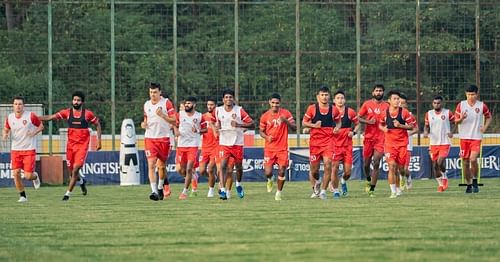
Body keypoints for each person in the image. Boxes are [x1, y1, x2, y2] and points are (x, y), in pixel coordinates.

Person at [40, 91, 101, 201]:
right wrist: (35, 117)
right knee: (72, 173)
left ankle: (67, 194)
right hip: (70, 147)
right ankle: (81, 182)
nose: (76, 102)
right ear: (72, 101)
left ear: (82, 102)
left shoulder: (88, 114)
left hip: (82, 146)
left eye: (78, 100)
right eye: (74, 100)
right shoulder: (67, 113)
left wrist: (99, 141)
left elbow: (98, 125)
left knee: (76, 168)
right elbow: (51, 117)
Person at [214, 89, 254, 200]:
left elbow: (252, 124)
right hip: (224, 142)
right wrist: (216, 127)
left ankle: (238, 184)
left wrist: (238, 124)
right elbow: (215, 122)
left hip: (237, 143)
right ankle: (222, 190)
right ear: (223, 99)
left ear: (233, 99)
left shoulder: (239, 110)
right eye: (226, 97)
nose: (228, 99)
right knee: (222, 166)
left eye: (230, 97)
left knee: (239, 167)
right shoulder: (218, 110)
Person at [2, 96, 43, 202]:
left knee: (28, 176)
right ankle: (23, 196)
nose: (18, 106)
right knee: (15, 173)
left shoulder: (30, 116)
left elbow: (41, 126)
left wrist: (33, 132)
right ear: (13, 106)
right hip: (15, 150)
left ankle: (35, 176)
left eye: (20, 104)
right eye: (15, 104)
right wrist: (5, 135)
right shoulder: (10, 117)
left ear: (23, 106)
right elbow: (6, 129)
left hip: (29, 149)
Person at [302, 85, 339, 200]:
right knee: (314, 170)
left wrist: (337, 127)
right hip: (315, 142)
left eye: (326, 95)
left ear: (329, 96)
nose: (324, 97)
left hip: (329, 141)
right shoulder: (312, 108)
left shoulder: (334, 109)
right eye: (322, 95)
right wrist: (313, 125)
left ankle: (323, 191)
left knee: (328, 164)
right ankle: (317, 182)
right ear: (318, 97)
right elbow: (304, 122)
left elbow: (338, 122)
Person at [379, 90, 417, 198]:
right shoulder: (384, 113)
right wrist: (383, 129)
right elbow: (380, 124)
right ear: (389, 101)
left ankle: (402, 183)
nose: (397, 101)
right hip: (389, 144)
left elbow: (411, 127)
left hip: (402, 144)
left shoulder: (404, 112)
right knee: (392, 166)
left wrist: (400, 126)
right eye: (394, 99)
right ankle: (393, 191)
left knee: (401, 169)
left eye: (398, 99)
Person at [141, 83, 176, 201]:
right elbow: (145, 119)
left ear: (160, 92)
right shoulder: (146, 104)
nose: (153, 95)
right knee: (151, 164)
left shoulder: (166, 103)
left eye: (155, 92)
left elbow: (174, 120)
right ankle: (154, 191)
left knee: (161, 166)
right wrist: (143, 124)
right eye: (151, 92)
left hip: (164, 138)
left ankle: (161, 187)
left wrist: (163, 115)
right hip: (150, 138)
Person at [454, 85, 492, 193]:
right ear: (466, 94)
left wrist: (484, 127)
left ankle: (475, 180)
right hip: (463, 137)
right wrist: (461, 118)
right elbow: (456, 121)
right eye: (468, 94)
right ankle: (469, 184)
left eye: (473, 94)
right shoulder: (461, 105)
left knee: (473, 159)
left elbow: (489, 116)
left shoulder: (481, 106)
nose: (470, 96)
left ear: (477, 94)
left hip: (476, 137)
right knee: (465, 162)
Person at [259, 93, 296, 201]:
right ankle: (270, 179)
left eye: (277, 103)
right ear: (269, 102)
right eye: (273, 103)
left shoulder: (286, 113)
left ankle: (278, 193)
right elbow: (261, 131)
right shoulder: (265, 116)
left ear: (280, 103)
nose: (275, 105)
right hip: (269, 149)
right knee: (268, 172)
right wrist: (266, 137)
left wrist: (286, 121)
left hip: (282, 148)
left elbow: (294, 127)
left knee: (282, 171)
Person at [358, 84, 388, 197]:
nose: (379, 92)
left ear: (383, 93)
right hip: (369, 138)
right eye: (377, 91)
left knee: (376, 162)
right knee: (366, 164)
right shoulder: (367, 104)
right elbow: (358, 117)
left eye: (380, 91)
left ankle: (372, 188)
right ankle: (368, 178)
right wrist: (367, 122)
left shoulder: (387, 106)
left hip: (381, 138)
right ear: (373, 92)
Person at [330, 91, 359, 199]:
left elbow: (357, 124)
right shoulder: (330, 112)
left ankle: (343, 181)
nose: (340, 100)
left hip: (347, 145)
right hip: (335, 145)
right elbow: (325, 127)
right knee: (334, 168)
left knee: (348, 172)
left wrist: (354, 132)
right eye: (338, 98)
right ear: (334, 100)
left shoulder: (350, 112)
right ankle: (336, 191)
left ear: (344, 100)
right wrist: (332, 131)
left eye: (342, 98)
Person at [176, 97, 206, 199]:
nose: (187, 105)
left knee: (189, 168)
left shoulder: (199, 116)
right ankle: (193, 177)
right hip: (181, 145)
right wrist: (175, 130)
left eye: (189, 103)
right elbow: (173, 123)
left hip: (193, 145)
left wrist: (197, 130)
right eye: (186, 103)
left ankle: (184, 192)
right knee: (181, 170)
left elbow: (205, 129)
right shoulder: (180, 114)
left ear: (194, 105)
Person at [423, 95, 455, 192]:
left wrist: (452, 132)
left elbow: (455, 122)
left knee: (440, 162)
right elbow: (426, 126)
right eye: (435, 103)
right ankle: (440, 185)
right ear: (432, 104)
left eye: (438, 103)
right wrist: (425, 132)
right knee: (435, 166)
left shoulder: (447, 112)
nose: (436, 104)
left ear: (442, 103)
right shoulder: (429, 114)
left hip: (445, 142)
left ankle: (444, 176)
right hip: (433, 143)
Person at [199, 98, 218, 197]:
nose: (209, 106)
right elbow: (200, 129)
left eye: (212, 104)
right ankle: (213, 178)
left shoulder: (218, 117)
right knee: (202, 170)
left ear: (215, 105)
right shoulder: (203, 117)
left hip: (215, 147)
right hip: (205, 148)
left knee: (210, 168)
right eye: (208, 104)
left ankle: (211, 190)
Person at [398, 94, 418, 191]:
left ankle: (408, 178)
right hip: (396, 144)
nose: (401, 104)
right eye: (399, 102)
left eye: (403, 103)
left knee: (405, 168)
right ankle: (401, 180)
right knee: (398, 167)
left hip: (407, 145)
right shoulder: (393, 114)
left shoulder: (410, 115)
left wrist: (407, 134)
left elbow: (416, 129)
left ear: (406, 104)